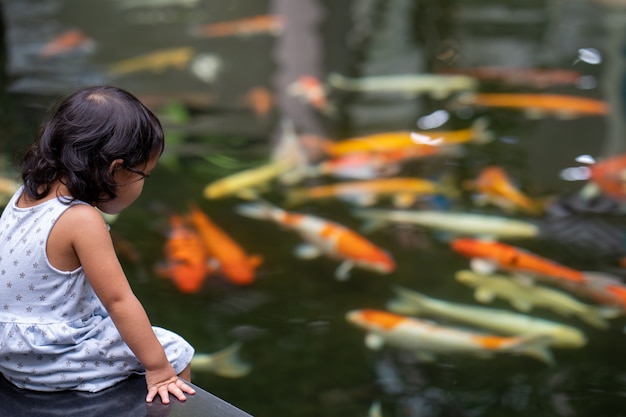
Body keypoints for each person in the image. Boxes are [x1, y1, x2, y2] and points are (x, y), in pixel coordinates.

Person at [0, 85, 196, 404]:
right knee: (175, 350)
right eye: (144, 176)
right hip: (47, 358)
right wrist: (159, 368)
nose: (143, 185)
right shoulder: (82, 219)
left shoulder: (27, 192)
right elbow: (120, 301)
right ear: (115, 170)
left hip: (9, 350)